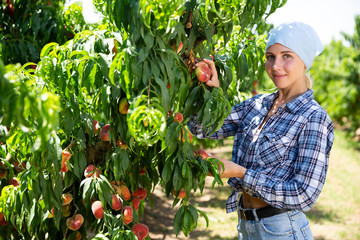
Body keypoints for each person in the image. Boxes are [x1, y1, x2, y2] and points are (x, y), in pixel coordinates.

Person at [187, 21, 334, 240]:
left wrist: (240, 173)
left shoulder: (313, 117)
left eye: (287, 56)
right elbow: (202, 128)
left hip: (283, 230)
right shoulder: (257, 105)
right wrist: (210, 91)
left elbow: (304, 194)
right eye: (270, 56)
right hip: (247, 225)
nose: (275, 66)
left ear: (305, 61)